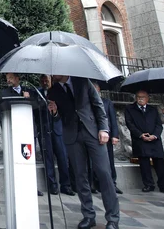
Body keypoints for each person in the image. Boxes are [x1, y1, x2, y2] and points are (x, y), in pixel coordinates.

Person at [48, 76, 119, 229]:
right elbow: (58, 117)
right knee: (80, 176)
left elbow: (98, 104)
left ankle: (113, 218)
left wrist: (104, 128)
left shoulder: (82, 81)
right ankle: (88, 215)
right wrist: (54, 112)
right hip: (72, 136)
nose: (52, 74)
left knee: (104, 173)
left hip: (93, 132)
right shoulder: (53, 91)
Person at [1, 72, 44, 196]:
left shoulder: (29, 90)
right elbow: (2, 112)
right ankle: (18, 186)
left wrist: (29, 98)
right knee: (17, 160)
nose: (8, 80)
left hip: (29, 130)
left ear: (17, 78)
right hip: (15, 131)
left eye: (10, 77)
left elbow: (40, 105)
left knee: (29, 159)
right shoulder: (4, 93)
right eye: (7, 78)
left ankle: (31, 186)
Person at [124, 90, 164, 194]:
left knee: (160, 164)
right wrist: (141, 135)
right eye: (138, 97)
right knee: (144, 164)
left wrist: (154, 135)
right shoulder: (130, 109)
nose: (140, 99)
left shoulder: (153, 109)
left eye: (143, 97)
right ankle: (148, 184)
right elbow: (130, 124)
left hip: (154, 140)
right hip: (140, 140)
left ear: (147, 98)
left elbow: (158, 124)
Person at [38, 74, 73, 196]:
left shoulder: (59, 91)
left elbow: (65, 111)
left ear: (51, 79)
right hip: (44, 130)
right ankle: (52, 185)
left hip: (58, 130)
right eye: (42, 79)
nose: (44, 81)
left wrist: (56, 112)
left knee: (63, 157)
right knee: (48, 159)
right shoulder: (37, 93)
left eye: (46, 79)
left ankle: (66, 185)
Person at [91, 83, 122, 195]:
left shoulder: (107, 102)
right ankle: (96, 184)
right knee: (93, 162)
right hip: (92, 135)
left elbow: (113, 120)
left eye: (96, 90)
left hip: (106, 136)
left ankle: (112, 183)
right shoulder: (87, 102)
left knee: (109, 161)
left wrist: (115, 135)